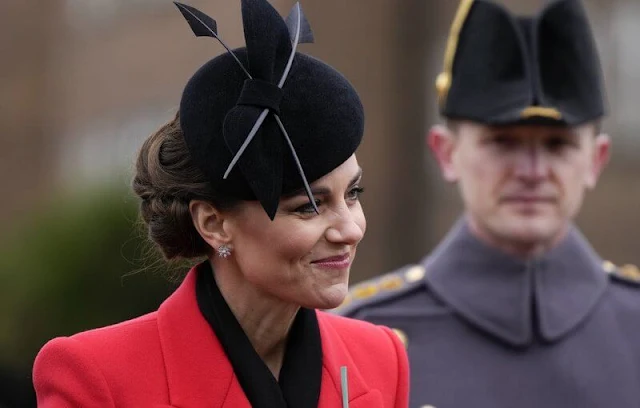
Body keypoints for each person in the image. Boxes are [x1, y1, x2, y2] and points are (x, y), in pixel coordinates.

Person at [32, 1, 409, 407]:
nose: (350, 229)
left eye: (352, 194)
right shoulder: (98, 377)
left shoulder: (381, 358)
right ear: (213, 224)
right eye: (308, 206)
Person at [334, 0, 640, 407]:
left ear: (596, 160)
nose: (532, 171)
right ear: (445, 153)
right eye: (503, 142)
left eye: (557, 145)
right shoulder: (361, 336)